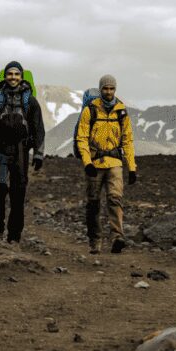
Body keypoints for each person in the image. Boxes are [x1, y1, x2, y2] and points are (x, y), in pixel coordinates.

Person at [0, 61, 45, 243]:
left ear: (22, 77)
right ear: (5, 76)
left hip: (21, 151)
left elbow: (38, 129)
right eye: (10, 74)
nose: (13, 77)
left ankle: (14, 236)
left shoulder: (30, 101)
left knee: (18, 194)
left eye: (16, 74)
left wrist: (38, 153)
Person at [75, 74, 137, 254]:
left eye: (111, 88)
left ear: (115, 90)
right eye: (105, 88)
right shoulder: (90, 110)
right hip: (94, 163)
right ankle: (95, 240)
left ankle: (117, 236)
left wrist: (131, 167)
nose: (108, 92)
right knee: (93, 203)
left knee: (115, 198)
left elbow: (127, 140)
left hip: (115, 162)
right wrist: (87, 162)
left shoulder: (121, 111)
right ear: (100, 89)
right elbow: (82, 138)